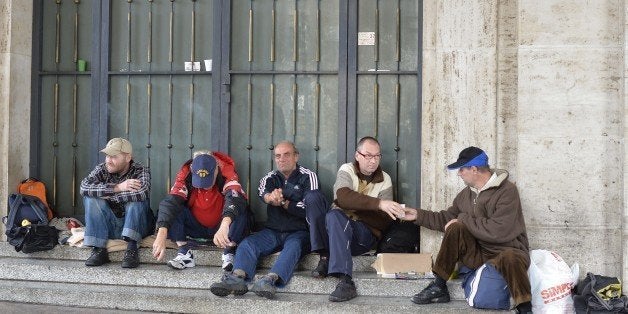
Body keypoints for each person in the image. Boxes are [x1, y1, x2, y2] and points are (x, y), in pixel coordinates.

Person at [403, 146, 532, 314]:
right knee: (455, 227)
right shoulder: (466, 194)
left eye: (462, 169)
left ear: (474, 169)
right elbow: (447, 219)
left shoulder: (507, 191)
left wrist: (463, 219)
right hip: (478, 254)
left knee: (511, 257)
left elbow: (499, 230)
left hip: (507, 250)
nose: (459, 173)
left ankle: (525, 307)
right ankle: (439, 286)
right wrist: (417, 215)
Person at [209, 141, 328, 299]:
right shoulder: (270, 177)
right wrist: (271, 198)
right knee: (247, 244)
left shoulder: (308, 176)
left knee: (293, 247)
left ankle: (269, 280)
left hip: (299, 232)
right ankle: (237, 278)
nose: (281, 159)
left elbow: (311, 207)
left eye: (286, 154)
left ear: (296, 156)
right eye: (278, 156)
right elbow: (262, 193)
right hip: (273, 231)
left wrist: (285, 203)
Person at [309, 136, 410, 302]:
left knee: (337, 215)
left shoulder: (385, 179)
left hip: (363, 237)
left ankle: (342, 277)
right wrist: (377, 204)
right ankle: (332, 264)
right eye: (368, 156)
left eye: (377, 156)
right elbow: (342, 197)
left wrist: (353, 206)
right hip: (338, 231)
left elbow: (384, 220)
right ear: (357, 155)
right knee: (330, 214)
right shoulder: (347, 170)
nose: (373, 161)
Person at [152, 150, 250, 271]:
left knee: (241, 207)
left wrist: (225, 225)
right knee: (174, 208)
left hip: (222, 229)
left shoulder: (227, 174)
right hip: (196, 227)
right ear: (193, 169)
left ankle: (229, 252)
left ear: (216, 169)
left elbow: (234, 199)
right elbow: (171, 202)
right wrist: (162, 233)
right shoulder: (185, 174)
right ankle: (184, 254)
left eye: (208, 179)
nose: (204, 185)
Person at [80, 137, 153, 268]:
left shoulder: (140, 171)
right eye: (107, 156)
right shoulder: (101, 169)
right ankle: (99, 249)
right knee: (91, 198)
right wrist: (117, 188)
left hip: (136, 226)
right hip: (110, 227)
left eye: (113, 156)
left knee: (137, 201)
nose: (108, 160)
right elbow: (84, 187)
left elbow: (141, 193)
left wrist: (107, 195)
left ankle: (131, 248)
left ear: (127, 157)